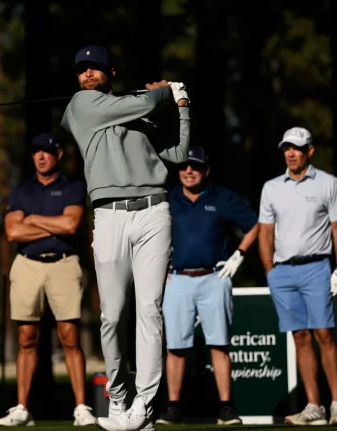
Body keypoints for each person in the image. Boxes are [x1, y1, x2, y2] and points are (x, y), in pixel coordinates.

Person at [60, 45, 191, 431]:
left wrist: (181, 106)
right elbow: (146, 102)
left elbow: (179, 153)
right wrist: (165, 92)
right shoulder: (81, 106)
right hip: (109, 216)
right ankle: (119, 397)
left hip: (153, 212)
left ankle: (145, 406)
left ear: (110, 72)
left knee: (150, 310)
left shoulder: (144, 113)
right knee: (112, 316)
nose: (87, 74)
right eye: (81, 69)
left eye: (95, 68)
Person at [0, 133, 96, 427]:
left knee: (69, 336)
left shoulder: (73, 186)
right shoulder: (21, 191)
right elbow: (13, 233)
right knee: (27, 338)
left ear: (59, 155)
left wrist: (33, 219)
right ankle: (21, 409)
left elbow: (71, 224)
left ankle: (81, 407)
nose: (41, 157)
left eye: (47, 152)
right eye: (36, 152)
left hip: (63, 264)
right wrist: (52, 225)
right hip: (27, 265)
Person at [155, 147, 258, 426]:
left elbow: (255, 225)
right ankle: (173, 406)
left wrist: (240, 255)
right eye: (184, 167)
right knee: (175, 346)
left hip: (215, 277)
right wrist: (158, 267)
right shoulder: (168, 199)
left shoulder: (221, 197)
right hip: (176, 278)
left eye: (195, 167)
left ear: (206, 171)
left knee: (219, 343)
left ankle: (226, 407)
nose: (189, 171)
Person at [257, 127, 337, 425]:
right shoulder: (271, 187)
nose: (291, 153)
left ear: (310, 151)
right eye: (286, 148)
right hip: (282, 272)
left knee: (324, 333)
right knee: (300, 337)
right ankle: (314, 406)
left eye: (297, 148)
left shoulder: (328, 183)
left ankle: (336, 405)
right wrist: (270, 272)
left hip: (316, 267)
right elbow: (265, 233)